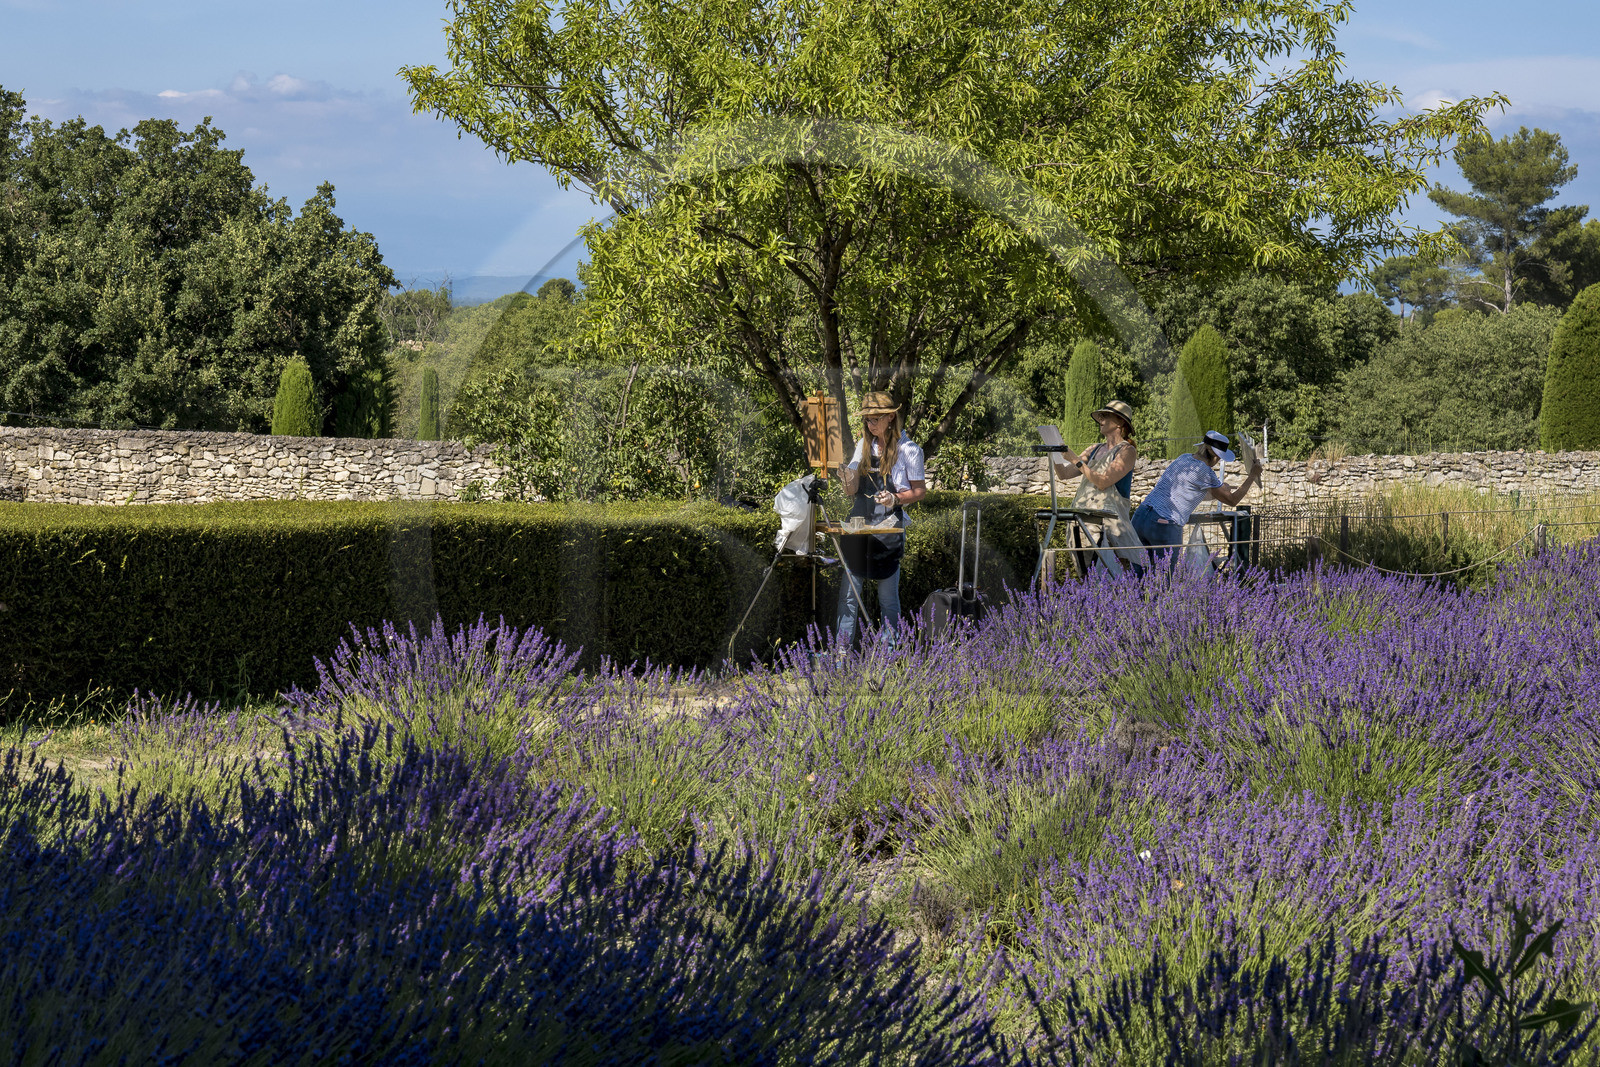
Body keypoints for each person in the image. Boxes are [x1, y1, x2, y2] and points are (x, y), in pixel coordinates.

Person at [835, 391, 927, 648]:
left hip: (890, 527)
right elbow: (851, 488)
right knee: (849, 597)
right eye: (866, 420)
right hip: (859, 523)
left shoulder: (910, 450)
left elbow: (920, 491)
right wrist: (845, 475)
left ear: (890, 417)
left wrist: (895, 498)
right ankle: (841, 658)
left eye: (874, 419)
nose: (870, 424)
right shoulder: (862, 446)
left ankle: (888, 656)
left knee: (887, 599)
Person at [1133, 430, 1262, 572]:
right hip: (1164, 524)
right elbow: (1232, 500)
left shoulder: (1184, 459)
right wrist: (1252, 475)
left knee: (1138, 575)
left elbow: (1193, 493)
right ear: (1216, 457)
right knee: (1163, 579)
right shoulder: (1205, 472)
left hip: (1141, 516)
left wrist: (1220, 490)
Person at [1050, 399, 1149, 575]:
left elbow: (1103, 482)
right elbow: (1064, 474)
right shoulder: (1094, 449)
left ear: (1120, 422)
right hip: (1082, 521)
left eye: (1106, 415)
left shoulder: (1127, 451)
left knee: (1116, 578)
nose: (1101, 419)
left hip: (1110, 527)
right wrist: (1054, 453)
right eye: (1101, 415)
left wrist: (1075, 459)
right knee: (1089, 578)